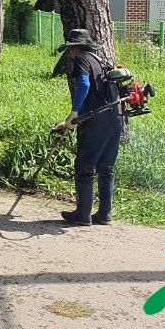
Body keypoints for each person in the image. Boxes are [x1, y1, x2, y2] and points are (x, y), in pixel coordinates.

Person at [53, 28, 124, 226]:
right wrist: (74, 120)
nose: (70, 53)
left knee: (85, 166)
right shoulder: (101, 61)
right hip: (115, 117)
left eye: (70, 49)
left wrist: (74, 112)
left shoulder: (82, 59)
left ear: (75, 48)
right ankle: (104, 214)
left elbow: (84, 84)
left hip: (97, 120)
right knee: (106, 167)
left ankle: (83, 215)